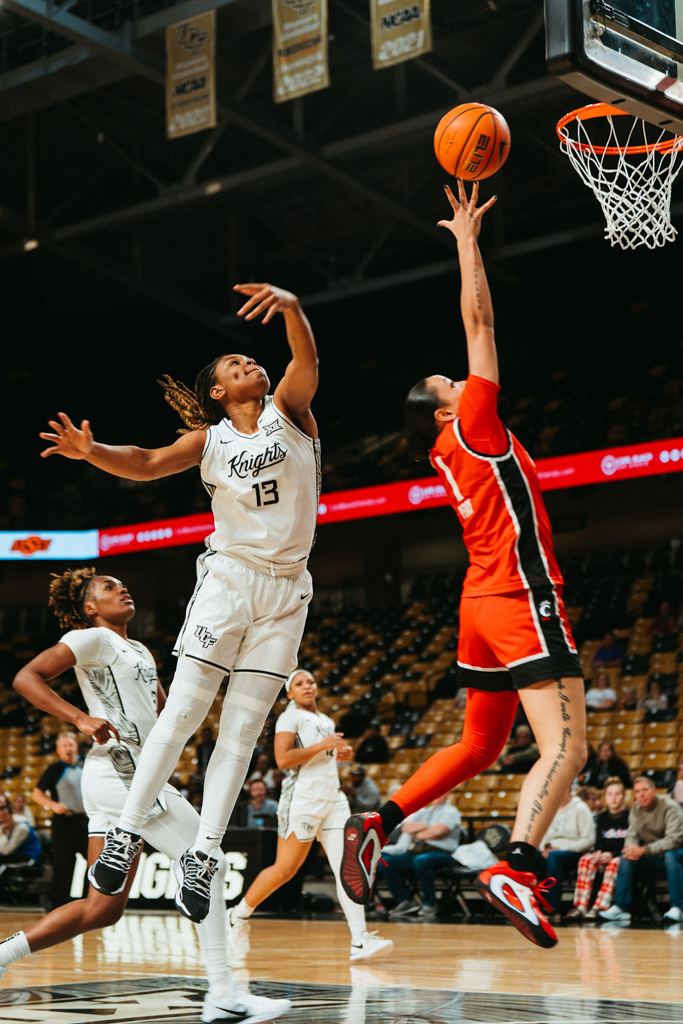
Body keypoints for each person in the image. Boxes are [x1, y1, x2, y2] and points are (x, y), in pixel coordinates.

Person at [341, 181, 587, 951]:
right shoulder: (473, 426)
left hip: (477, 602)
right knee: (567, 746)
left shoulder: (446, 450)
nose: (461, 376)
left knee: (480, 747)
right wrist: (466, 241)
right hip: (517, 594)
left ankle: (376, 822)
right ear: (447, 410)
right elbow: (479, 321)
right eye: (450, 383)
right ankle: (518, 865)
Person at [41, 282, 321, 926]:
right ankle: (125, 832)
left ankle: (205, 852)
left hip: (289, 591)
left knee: (242, 732)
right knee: (185, 713)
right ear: (217, 392)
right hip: (230, 580)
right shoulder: (210, 441)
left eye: (251, 359)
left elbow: (305, 361)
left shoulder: (291, 411)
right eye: (235, 365)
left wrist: (293, 309)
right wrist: (92, 452)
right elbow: (144, 461)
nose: (250, 362)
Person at [8, 568, 290, 1024]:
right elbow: (27, 677)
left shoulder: (138, 649)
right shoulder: (90, 638)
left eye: (122, 583)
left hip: (122, 778)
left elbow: (165, 713)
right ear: (89, 607)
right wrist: (79, 719)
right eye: (108, 587)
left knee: (102, 909)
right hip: (120, 772)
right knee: (208, 862)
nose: (122, 588)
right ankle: (223, 993)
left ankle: (2, 955)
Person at [227, 670, 392, 963]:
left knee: (348, 869)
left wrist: (336, 756)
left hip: (333, 800)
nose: (307, 686)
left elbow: (318, 758)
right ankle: (238, 915)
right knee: (285, 870)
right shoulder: (289, 718)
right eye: (299, 683)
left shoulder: (326, 720)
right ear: (289, 692)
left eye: (311, 682)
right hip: (303, 801)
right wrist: (322, 747)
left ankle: (359, 939)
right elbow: (283, 760)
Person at [599, 775, 683, 925]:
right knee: (626, 856)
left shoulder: (670, 807)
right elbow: (632, 834)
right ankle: (621, 908)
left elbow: (673, 840)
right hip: (652, 855)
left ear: (654, 790)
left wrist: (643, 850)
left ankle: (677, 907)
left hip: (675, 852)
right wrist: (631, 848)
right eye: (637, 792)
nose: (641, 795)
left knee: (671, 855)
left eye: (645, 790)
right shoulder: (636, 809)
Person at [376, 793, 462, 918]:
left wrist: (419, 832)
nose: (437, 795)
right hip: (417, 852)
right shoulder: (424, 812)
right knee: (385, 862)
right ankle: (404, 901)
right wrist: (429, 827)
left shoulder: (451, 812)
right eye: (436, 792)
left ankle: (430, 903)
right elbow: (406, 827)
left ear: (447, 795)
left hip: (443, 853)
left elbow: (439, 831)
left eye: (441, 793)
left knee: (422, 860)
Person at [32, 732, 88, 910]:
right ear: (58, 749)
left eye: (71, 745)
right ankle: (54, 901)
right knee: (64, 865)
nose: (68, 748)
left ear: (76, 747)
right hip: (63, 823)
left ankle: (87, 900)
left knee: (94, 859)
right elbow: (36, 794)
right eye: (64, 745)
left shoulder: (83, 767)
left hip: (83, 821)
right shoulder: (54, 770)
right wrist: (53, 805)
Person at [566, 777, 629, 921]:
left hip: (620, 856)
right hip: (604, 855)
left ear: (624, 796)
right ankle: (581, 906)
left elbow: (630, 843)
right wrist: (599, 852)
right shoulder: (602, 817)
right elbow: (599, 841)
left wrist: (612, 854)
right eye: (610, 794)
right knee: (585, 860)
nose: (613, 798)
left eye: (617, 794)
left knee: (614, 864)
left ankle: (599, 906)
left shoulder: (629, 816)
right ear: (605, 797)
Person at [533, 786, 595, 922]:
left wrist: (560, 848)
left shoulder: (580, 808)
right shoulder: (551, 809)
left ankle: (552, 907)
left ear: (569, 790)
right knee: (530, 856)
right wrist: (544, 849)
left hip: (575, 854)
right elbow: (542, 836)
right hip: (551, 853)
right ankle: (527, 904)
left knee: (554, 857)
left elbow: (589, 840)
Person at [0, 795, 42, 886]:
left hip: (30, 858)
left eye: (3, 817)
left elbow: (6, 850)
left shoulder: (21, 827)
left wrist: (3, 832)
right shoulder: (6, 825)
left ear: (10, 815)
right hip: (16, 854)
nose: (1, 820)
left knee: (2, 863)